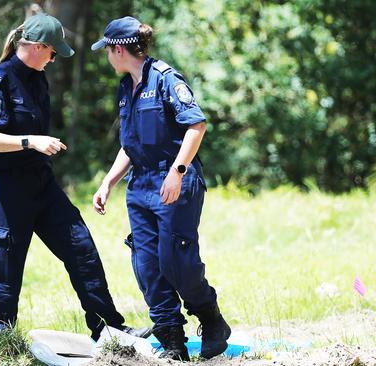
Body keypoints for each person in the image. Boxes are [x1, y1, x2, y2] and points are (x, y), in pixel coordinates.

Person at [0, 13, 149, 341]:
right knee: (4, 265)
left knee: (81, 247)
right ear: (38, 47)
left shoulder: (38, 78)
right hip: (5, 188)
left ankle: (108, 327)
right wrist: (30, 141)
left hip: (40, 183)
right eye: (53, 53)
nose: (54, 59)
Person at [90, 16, 231, 360]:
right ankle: (172, 342)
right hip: (140, 186)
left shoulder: (166, 79)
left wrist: (178, 171)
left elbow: (196, 126)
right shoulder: (127, 88)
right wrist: (109, 181)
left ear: (119, 49)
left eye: (107, 49)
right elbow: (131, 143)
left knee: (175, 261)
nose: (107, 57)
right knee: (148, 266)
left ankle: (211, 319)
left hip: (174, 182)